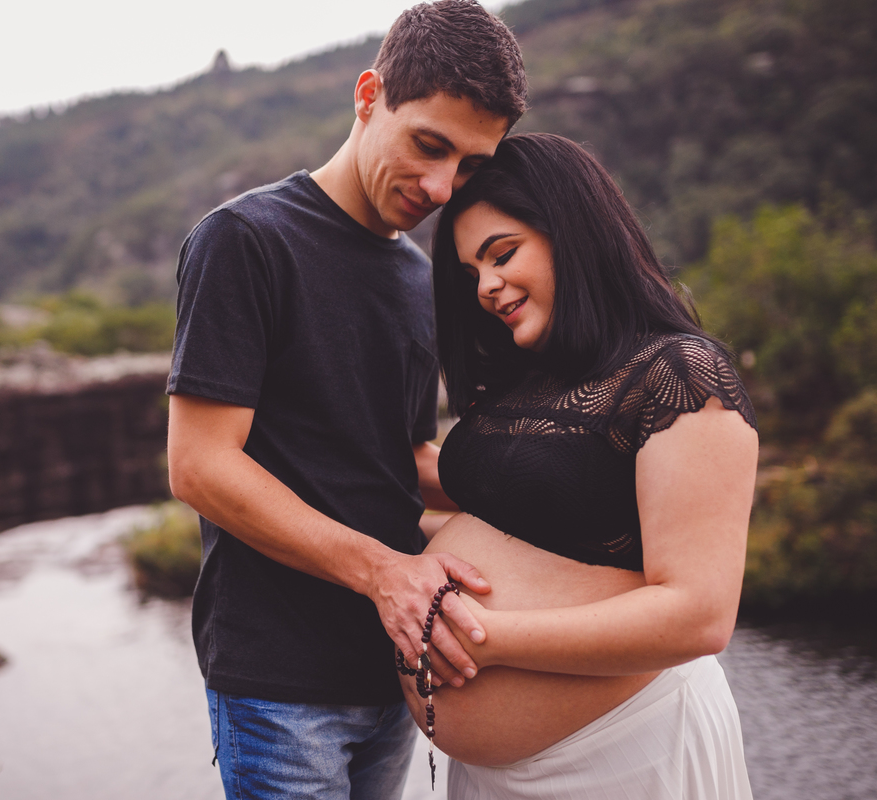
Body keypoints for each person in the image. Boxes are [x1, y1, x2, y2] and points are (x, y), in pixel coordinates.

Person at [165, 2, 528, 797]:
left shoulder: (416, 276)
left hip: (393, 669)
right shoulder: (244, 240)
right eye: (429, 145)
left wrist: (546, 487)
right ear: (369, 96)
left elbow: (400, 456)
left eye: (469, 166)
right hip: (276, 680)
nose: (441, 187)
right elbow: (197, 467)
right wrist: (384, 574)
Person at [405, 132, 758, 799]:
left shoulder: (678, 374)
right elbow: (527, 520)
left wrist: (491, 640)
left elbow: (699, 615)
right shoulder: (522, 381)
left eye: (502, 254)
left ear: (571, 232)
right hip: (493, 775)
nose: (486, 286)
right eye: (469, 272)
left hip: (627, 754)